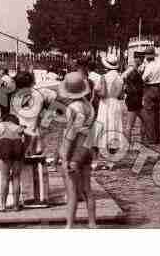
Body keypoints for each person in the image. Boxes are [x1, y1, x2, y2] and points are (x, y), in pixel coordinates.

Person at [57, 71, 97, 228]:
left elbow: (70, 134)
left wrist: (64, 156)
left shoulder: (72, 108)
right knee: (87, 188)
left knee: (72, 191)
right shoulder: (89, 105)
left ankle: (69, 225)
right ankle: (92, 223)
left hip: (75, 148)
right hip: (87, 146)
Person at [0, 114, 26, 212]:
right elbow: (27, 140)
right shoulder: (20, 127)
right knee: (16, 178)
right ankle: (16, 206)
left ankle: (3, 206)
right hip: (17, 149)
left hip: (5, 148)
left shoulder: (0, 125)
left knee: (4, 178)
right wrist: (24, 153)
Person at [94, 55, 125, 159]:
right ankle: (111, 159)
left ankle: (102, 156)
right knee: (114, 127)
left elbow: (102, 93)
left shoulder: (104, 77)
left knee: (103, 127)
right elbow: (121, 95)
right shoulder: (120, 78)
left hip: (105, 104)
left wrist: (96, 92)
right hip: (116, 103)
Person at [121, 52, 145, 147]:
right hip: (133, 99)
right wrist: (127, 88)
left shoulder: (137, 69)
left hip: (136, 99)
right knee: (130, 124)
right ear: (136, 59)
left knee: (145, 120)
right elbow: (122, 78)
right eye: (140, 58)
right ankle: (127, 144)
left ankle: (143, 140)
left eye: (142, 58)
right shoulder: (131, 69)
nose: (142, 60)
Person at [141, 46, 160, 144]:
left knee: (149, 115)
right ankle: (157, 137)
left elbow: (144, 78)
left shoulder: (149, 66)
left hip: (150, 88)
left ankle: (151, 138)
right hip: (158, 88)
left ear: (147, 56)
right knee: (156, 114)